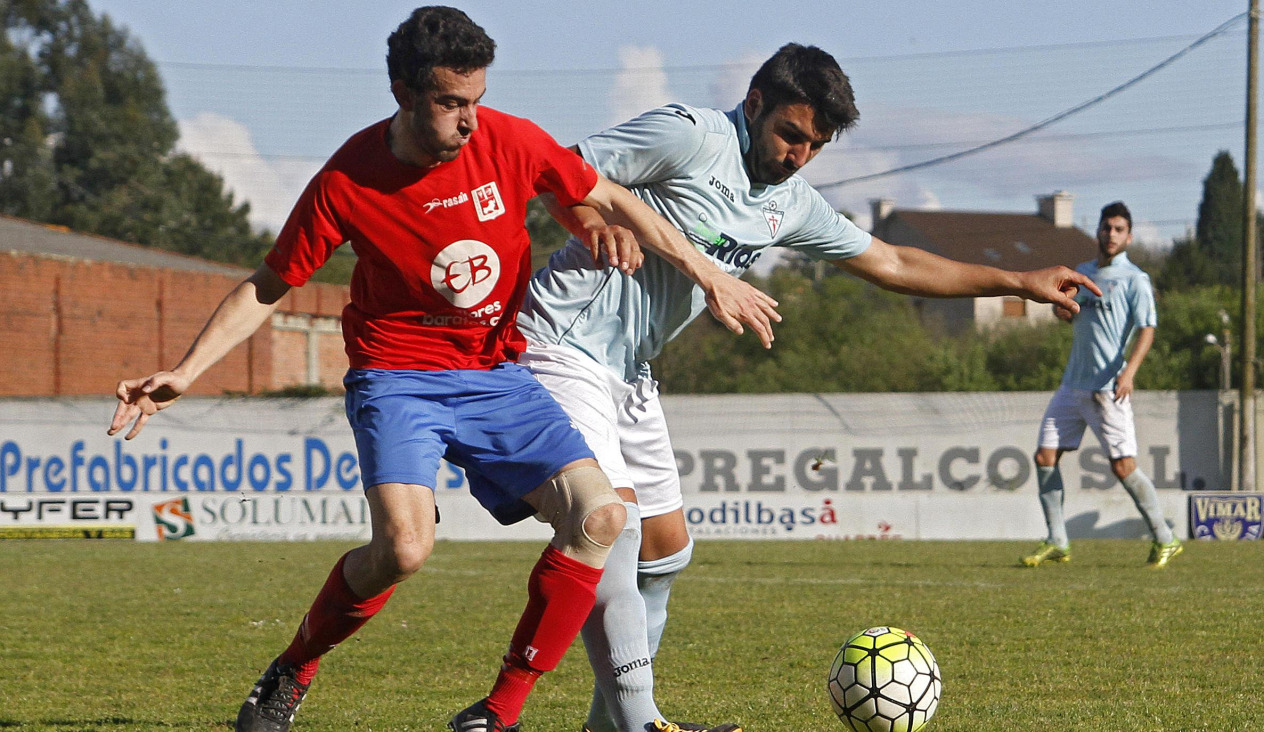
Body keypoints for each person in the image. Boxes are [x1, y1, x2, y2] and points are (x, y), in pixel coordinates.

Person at [106, 8, 778, 732]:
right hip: (397, 378)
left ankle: (497, 713)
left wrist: (700, 270)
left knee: (603, 516)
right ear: (402, 91)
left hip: (497, 374)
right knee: (402, 549)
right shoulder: (347, 179)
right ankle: (295, 664)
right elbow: (269, 284)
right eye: (451, 103)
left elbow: (601, 193)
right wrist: (184, 370)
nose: (468, 121)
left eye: (476, 102)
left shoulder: (508, 141)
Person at [515, 43, 1101, 732]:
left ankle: (608, 726)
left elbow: (892, 260)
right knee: (610, 531)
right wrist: (596, 222)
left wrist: (1016, 283)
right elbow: (552, 170)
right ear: (755, 104)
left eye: (815, 146)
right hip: (560, 342)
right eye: (791, 134)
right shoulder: (689, 135)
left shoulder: (788, 202)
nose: (798, 155)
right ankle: (642, 724)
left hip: (630, 373)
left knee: (666, 552)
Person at [1021, 201, 1183, 569]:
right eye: (1106, 227)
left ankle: (1165, 537)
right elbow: (1068, 312)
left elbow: (1147, 329)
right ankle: (1058, 540)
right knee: (1045, 456)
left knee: (1124, 466)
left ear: (1129, 235)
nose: (1111, 234)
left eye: (1119, 229)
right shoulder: (1082, 272)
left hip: (1108, 386)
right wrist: (1060, 309)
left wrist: (1129, 373)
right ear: (1097, 230)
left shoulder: (1135, 279)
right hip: (1072, 383)